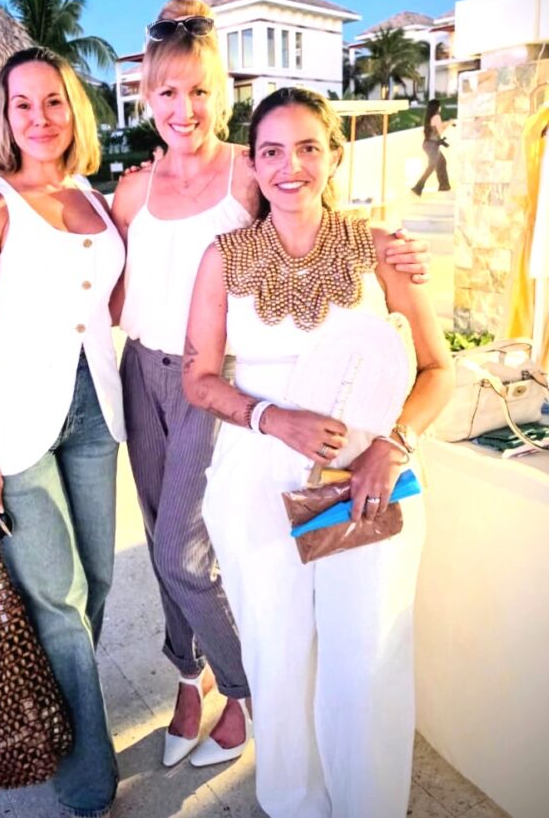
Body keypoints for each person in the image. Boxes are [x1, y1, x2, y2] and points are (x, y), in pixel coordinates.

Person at [110, 0, 432, 769]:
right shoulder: (133, 188)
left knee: (184, 552)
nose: (183, 108)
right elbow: (113, 286)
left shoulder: (247, 172)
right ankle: (188, 677)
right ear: (145, 97)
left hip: (212, 378)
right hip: (141, 369)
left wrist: (387, 248)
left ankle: (247, 691)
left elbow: (307, 223)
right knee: (160, 540)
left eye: (199, 90)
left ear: (222, 95)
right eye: (167, 92)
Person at [182, 86, 454, 817]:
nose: (290, 166)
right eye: (272, 151)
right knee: (277, 651)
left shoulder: (380, 249)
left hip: (362, 481)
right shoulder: (223, 258)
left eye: (308, 148)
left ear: (334, 155)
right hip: (257, 478)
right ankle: (295, 803)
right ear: (253, 163)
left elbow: (439, 368)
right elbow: (198, 378)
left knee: (364, 658)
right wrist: (274, 419)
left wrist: (393, 446)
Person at [0, 46, 125, 818]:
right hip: (18, 428)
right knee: (58, 596)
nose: (41, 117)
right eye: (23, 104)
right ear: (5, 116)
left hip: (97, 414)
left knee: (99, 583)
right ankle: (86, 781)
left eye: (54, 101)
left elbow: (116, 301)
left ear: (73, 109)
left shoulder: (93, 198)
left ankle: (54, 712)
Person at [411, 98, 453, 196]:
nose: (440, 108)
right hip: (432, 145)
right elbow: (440, 130)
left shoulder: (430, 117)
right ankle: (418, 187)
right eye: (439, 106)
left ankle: (444, 186)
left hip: (428, 144)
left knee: (441, 162)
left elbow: (435, 129)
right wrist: (449, 123)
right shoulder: (436, 117)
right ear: (437, 107)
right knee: (432, 165)